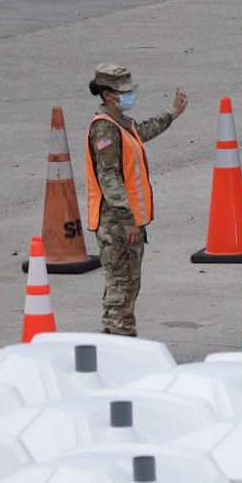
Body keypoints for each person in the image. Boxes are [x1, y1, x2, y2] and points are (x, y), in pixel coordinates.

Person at [85, 64, 188, 336]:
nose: (130, 96)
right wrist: (128, 222)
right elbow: (110, 179)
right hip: (117, 223)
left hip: (124, 221)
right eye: (124, 92)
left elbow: (142, 131)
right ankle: (122, 342)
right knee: (123, 286)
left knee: (122, 285)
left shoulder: (121, 123)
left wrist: (173, 113)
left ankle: (111, 339)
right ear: (108, 95)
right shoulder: (105, 129)